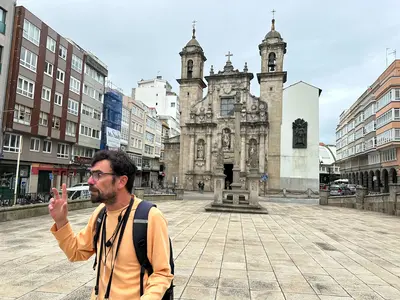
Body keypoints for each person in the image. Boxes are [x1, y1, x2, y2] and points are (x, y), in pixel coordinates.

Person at [49, 150, 173, 300]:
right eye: (91, 174)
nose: (90, 181)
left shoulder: (150, 217)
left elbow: (162, 274)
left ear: (121, 181)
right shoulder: (101, 213)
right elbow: (76, 252)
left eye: (98, 175)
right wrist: (61, 221)